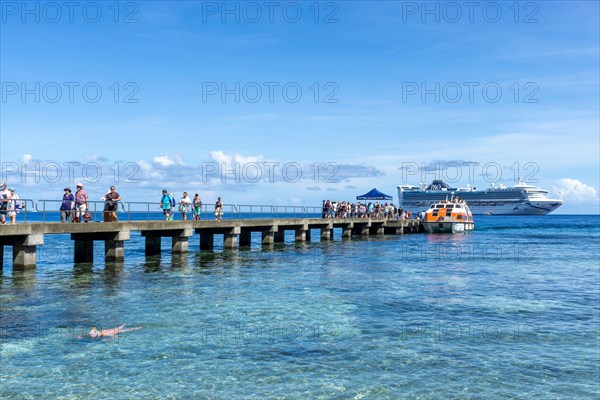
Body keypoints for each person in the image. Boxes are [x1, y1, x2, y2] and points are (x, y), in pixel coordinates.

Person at [77, 325, 143, 339]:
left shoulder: (105, 334)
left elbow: (115, 337)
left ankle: (139, 327)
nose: (90, 335)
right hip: (114, 329)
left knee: (131, 329)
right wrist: (80, 335)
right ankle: (124, 324)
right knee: (119, 327)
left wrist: (107, 339)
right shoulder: (98, 332)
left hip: (118, 331)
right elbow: (88, 334)